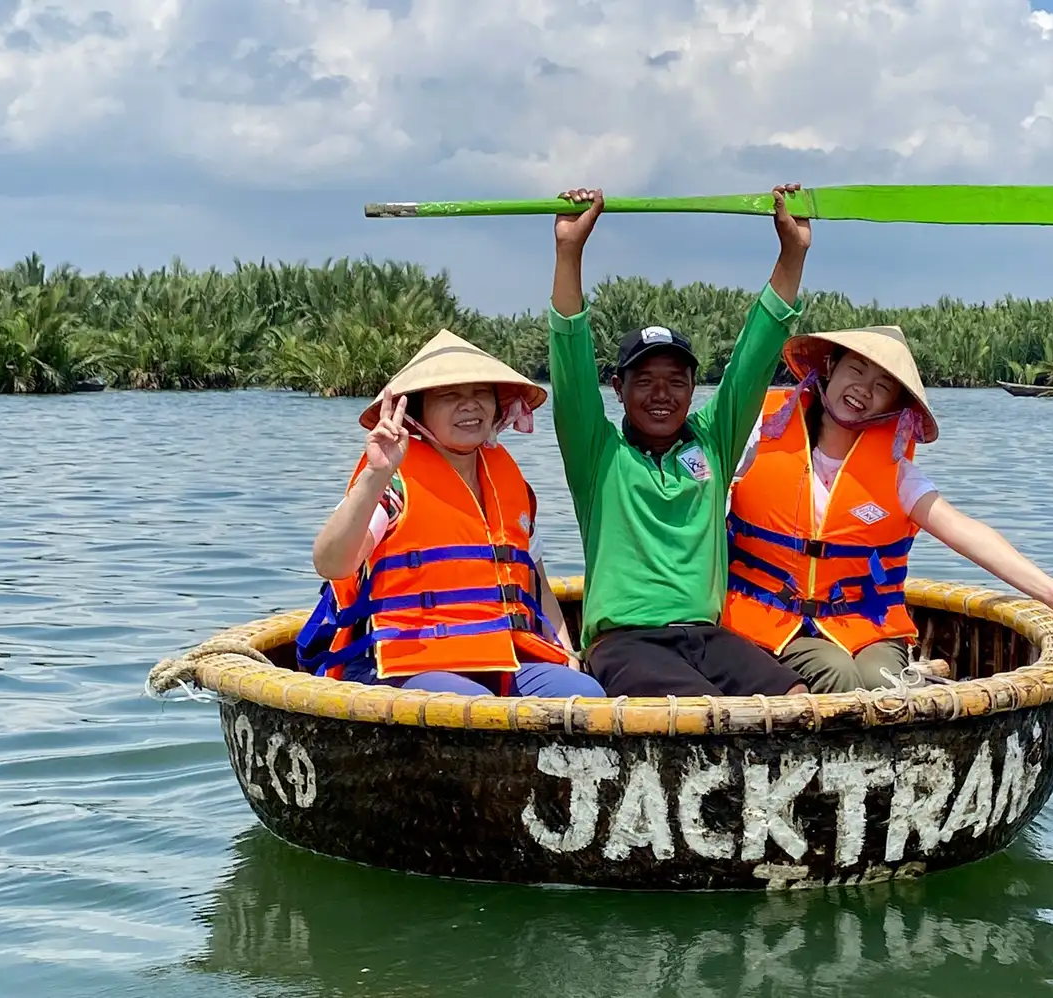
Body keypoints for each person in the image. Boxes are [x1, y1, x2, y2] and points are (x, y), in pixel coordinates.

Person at [721, 325, 1053, 693]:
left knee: (886, 682)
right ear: (830, 366)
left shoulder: (896, 474)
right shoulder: (758, 438)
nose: (863, 389)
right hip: (767, 619)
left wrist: (1049, 590)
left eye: (882, 386)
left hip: (865, 625)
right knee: (836, 674)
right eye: (856, 371)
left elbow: (965, 531)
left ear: (893, 405)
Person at [546, 183, 813, 698]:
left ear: (694, 388)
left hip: (707, 637)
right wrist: (569, 251)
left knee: (793, 698)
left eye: (675, 381)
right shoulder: (598, 453)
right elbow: (569, 352)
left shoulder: (713, 440)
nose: (661, 395)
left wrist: (792, 252)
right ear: (618, 389)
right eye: (644, 381)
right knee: (699, 708)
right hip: (625, 641)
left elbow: (756, 354)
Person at [296, 328, 605, 699]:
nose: (470, 406)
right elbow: (331, 563)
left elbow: (536, 583)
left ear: (496, 405)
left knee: (583, 691)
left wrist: (566, 653)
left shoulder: (509, 482)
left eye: (480, 394)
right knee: (472, 705)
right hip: (402, 663)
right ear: (418, 409)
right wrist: (375, 475)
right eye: (450, 395)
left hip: (500, 657)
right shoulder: (393, 480)